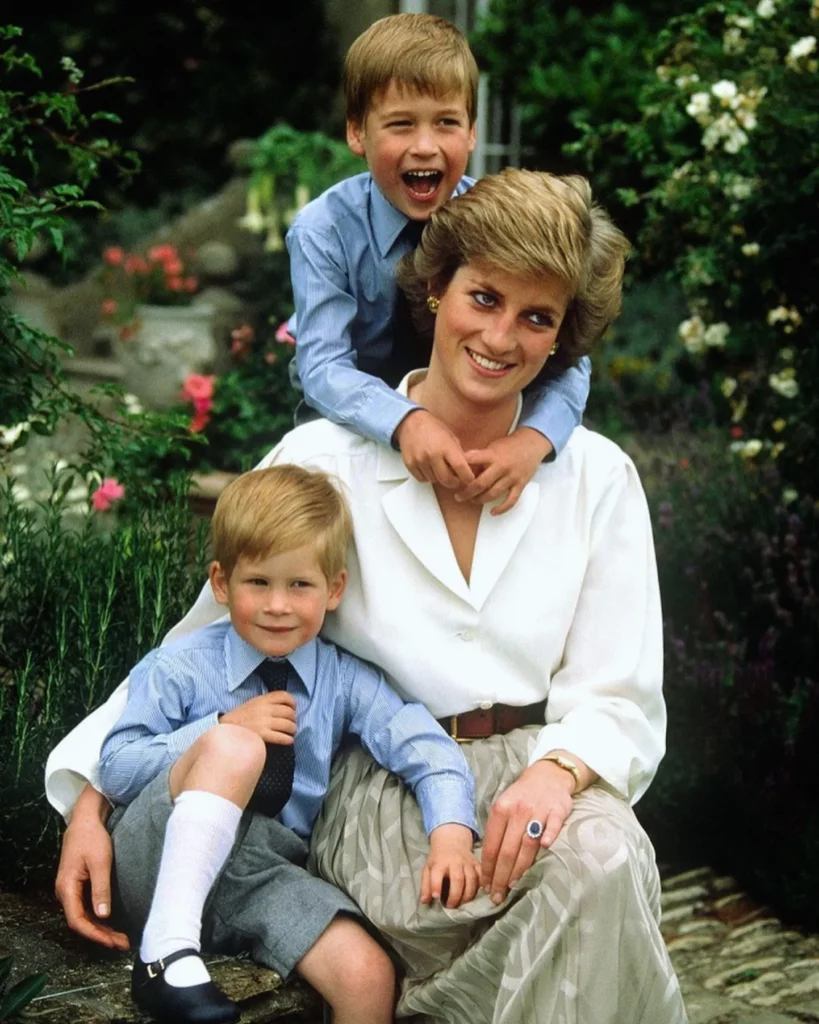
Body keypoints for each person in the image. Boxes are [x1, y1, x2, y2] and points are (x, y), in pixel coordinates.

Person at [47, 169, 688, 1023]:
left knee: (603, 860)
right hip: (385, 789)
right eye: (484, 298)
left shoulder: (596, 476)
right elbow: (207, 641)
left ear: (562, 338)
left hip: (539, 775)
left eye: (536, 318)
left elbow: (620, 686)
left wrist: (559, 772)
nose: (501, 337)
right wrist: (91, 803)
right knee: (563, 906)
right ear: (436, 289)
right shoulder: (323, 458)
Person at [95, 465, 480, 1024]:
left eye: (299, 585)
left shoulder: (343, 679)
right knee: (236, 749)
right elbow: (117, 768)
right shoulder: (181, 666)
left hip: (258, 870)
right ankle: (164, 955)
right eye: (259, 583)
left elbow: (423, 744)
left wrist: (450, 833)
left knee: (368, 975)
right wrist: (220, 725)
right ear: (222, 584)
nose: (278, 605)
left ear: (334, 589)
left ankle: (183, 953)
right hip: (155, 854)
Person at [286, 13, 592, 516]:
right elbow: (322, 367)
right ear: (357, 133)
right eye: (401, 124)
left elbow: (570, 355)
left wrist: (534, 440)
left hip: (475, 429)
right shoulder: (323, 229)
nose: (425, 145)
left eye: (446, 123)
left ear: (472, 133)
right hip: (350, 427)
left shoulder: (495, 220)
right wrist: (405, 420)